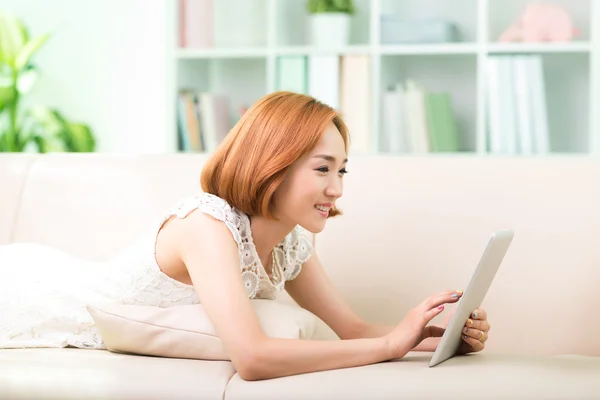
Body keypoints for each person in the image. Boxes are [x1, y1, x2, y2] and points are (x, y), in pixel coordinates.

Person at [0, 91, 491, 380]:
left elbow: (355, 331)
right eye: (323, 169)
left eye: (343, 170)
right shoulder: (206, 224)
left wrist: (434, 336)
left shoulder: (291, 244)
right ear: (274, 163)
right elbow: (253, 357)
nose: (336, 189)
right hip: (28, 292)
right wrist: (389, 349)